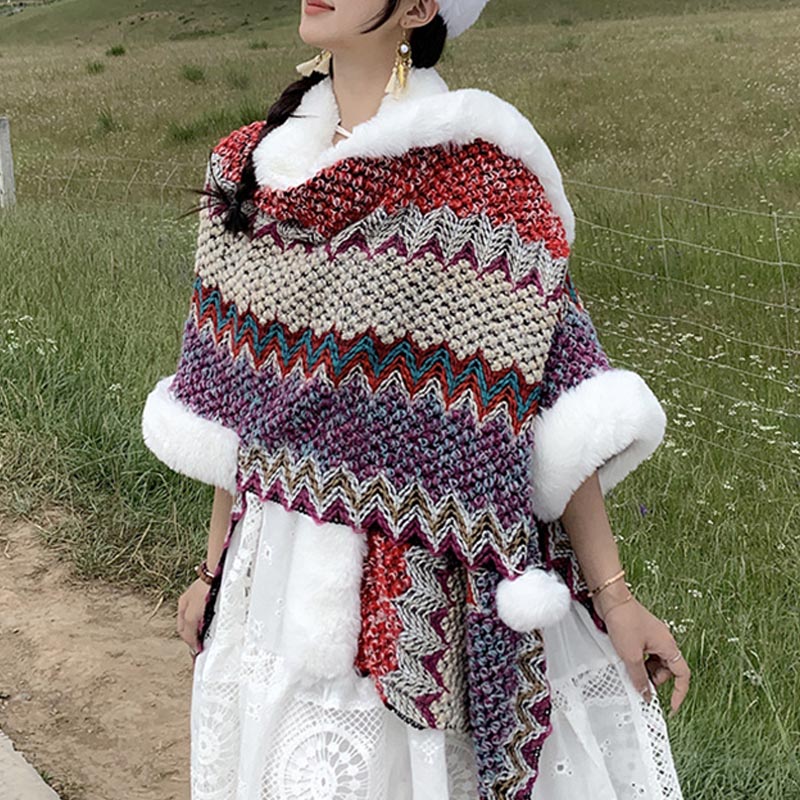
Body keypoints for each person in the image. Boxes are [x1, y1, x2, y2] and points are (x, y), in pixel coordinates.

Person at [141, 1, 691, 797]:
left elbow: (552, 412)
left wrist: (617, 597)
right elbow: (244, 411)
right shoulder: (249, 171)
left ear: (421, 7)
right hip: (274, 570)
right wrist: (212, 566)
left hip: (419, 578)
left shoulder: (486, 187)